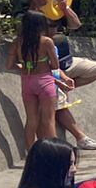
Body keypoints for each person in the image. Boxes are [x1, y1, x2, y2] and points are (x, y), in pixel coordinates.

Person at [9, 10, 65, 153]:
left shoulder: (17, 42)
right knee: (48, 120)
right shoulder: (47, 42)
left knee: (31, 120)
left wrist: (23, 65)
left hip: (27, 82)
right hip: (45, 81)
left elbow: (9, 65)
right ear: (40, 25)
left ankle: (31, 154)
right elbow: (55, 65)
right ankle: (54, 155)